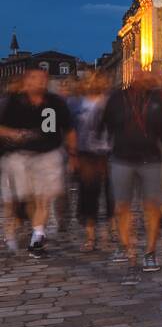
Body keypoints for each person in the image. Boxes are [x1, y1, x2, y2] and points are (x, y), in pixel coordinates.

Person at [101, 69, 162, 271]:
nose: (141, 77)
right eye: (137, 74)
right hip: (121, 158)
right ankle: (125, 245)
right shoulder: (117, 98)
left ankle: (150, 251)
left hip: (151, 159)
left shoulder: (159, 99)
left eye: (144, 74)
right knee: (121, 206)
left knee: (152, 207)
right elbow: (104, 125)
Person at [0, 69, 76, 258]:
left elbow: (69, 129)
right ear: (27, 81)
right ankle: (22, 230)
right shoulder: (13, 102)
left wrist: (73, 155)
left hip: (48, 155)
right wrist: (15, 134)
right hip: (20, 156)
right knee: (27, 198)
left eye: (43, 78)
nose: (39, 82)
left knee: (43, 197)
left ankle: (37, 237)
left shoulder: (56, 102)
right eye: (34, 78)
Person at [68, 73, 114, 252]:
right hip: (86, 153)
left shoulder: (111, 102)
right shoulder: (76, 104)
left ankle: (112, 226)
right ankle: (90, 235)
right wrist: (72, 155)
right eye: (90, 80)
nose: (94, 82)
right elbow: (70, 129)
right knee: (89, 193)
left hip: (110, 152)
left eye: (98, 79)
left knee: (113, 192)